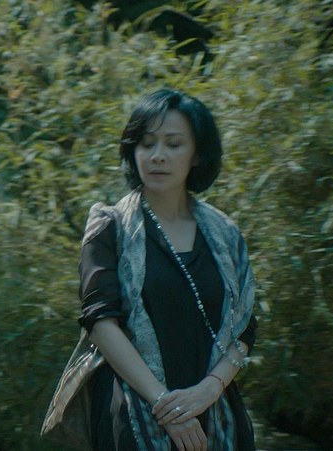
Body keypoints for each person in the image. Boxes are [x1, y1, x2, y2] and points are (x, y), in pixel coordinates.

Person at [78, 88, 258, 450]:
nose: (157, 155)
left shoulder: (225, 234)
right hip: (134, 413)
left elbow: (244, 327)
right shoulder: (109, 227)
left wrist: (209, 390)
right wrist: (165, 406)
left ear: (197, 154)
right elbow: (100, 323)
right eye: (146, 144)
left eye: (173, 144)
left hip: (214, 412)